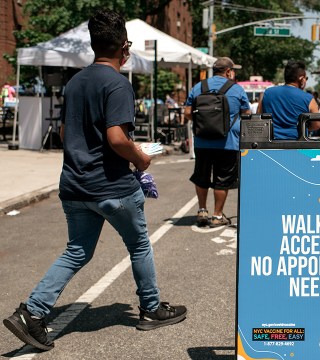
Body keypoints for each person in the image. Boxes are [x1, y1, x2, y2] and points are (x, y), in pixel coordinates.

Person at [2, 9, 187, 352]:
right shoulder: (117, 83)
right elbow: (117, 138)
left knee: (77, 251)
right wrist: (142, 158)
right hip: (112, 186)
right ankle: (151, 309)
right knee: (139, 245)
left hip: (74, 185)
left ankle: (32, 313)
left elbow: (63, 130)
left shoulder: (75, 82)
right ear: (124, 47)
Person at [185, 56, 251, 227]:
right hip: (228, 142)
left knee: (202, 177)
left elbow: (186, 113)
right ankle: (217, 215)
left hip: (202, 141)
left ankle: (202, 210)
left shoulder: (198, 87)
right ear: (229, 71)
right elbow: (246, 114)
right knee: (222, 180)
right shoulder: (236, 90)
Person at [258, 60, 320, 139]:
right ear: (301, 79)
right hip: (298, 145)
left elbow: (258, 118)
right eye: (306, 78)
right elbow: (317, 125)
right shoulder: (309, 98)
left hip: (270, 144)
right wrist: (303, 128)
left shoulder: (266, 93)